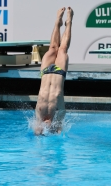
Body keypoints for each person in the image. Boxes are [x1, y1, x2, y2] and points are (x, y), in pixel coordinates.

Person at [34, 7, 73, 135]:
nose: (45, 125)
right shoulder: (58, 118)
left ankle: (57, 21)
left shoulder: (39, 117)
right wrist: (57, 131)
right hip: (59, 73)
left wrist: (38, 133)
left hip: (45, 72)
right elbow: (61, 129)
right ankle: (69, 21)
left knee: (52, 48)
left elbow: (36, 131)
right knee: (62, 49)